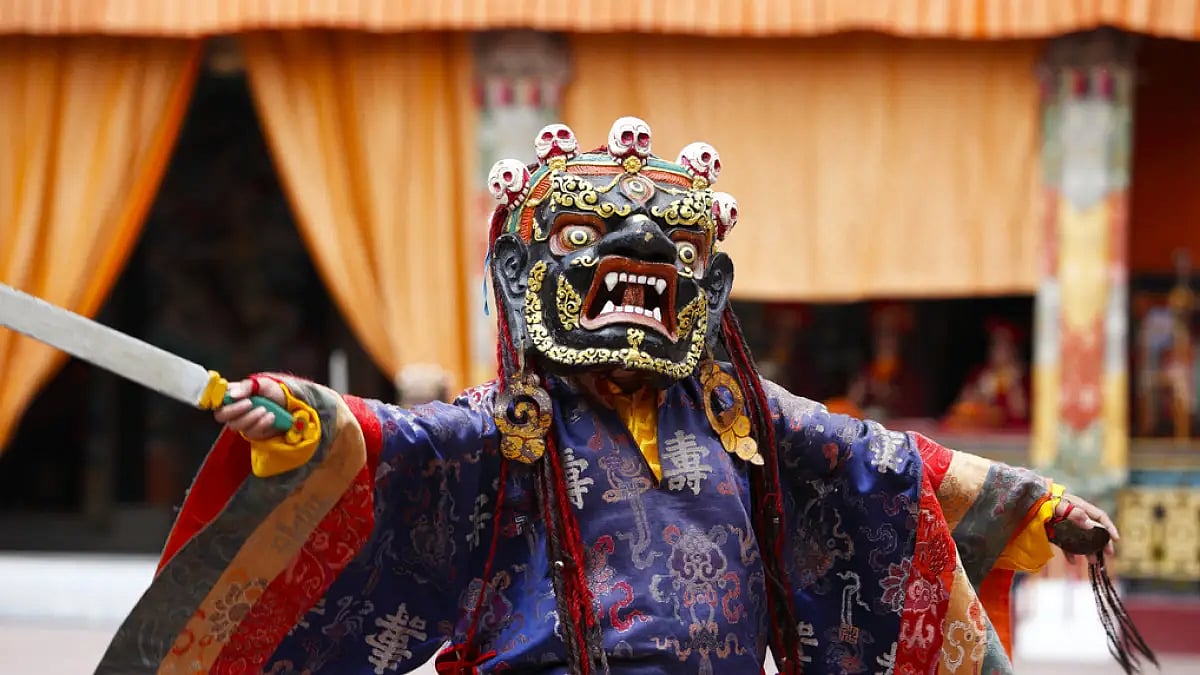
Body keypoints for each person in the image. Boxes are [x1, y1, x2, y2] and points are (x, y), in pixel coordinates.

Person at [99, 118, 1129, 675]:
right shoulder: (505, 429)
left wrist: (1040, 511)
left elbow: (884, 466)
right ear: (520, 274)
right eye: (588, 243)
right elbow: (393, 444)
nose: (642, 260)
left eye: (678, 251)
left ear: (708, 289)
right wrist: (301, 421)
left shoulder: (742, 417)